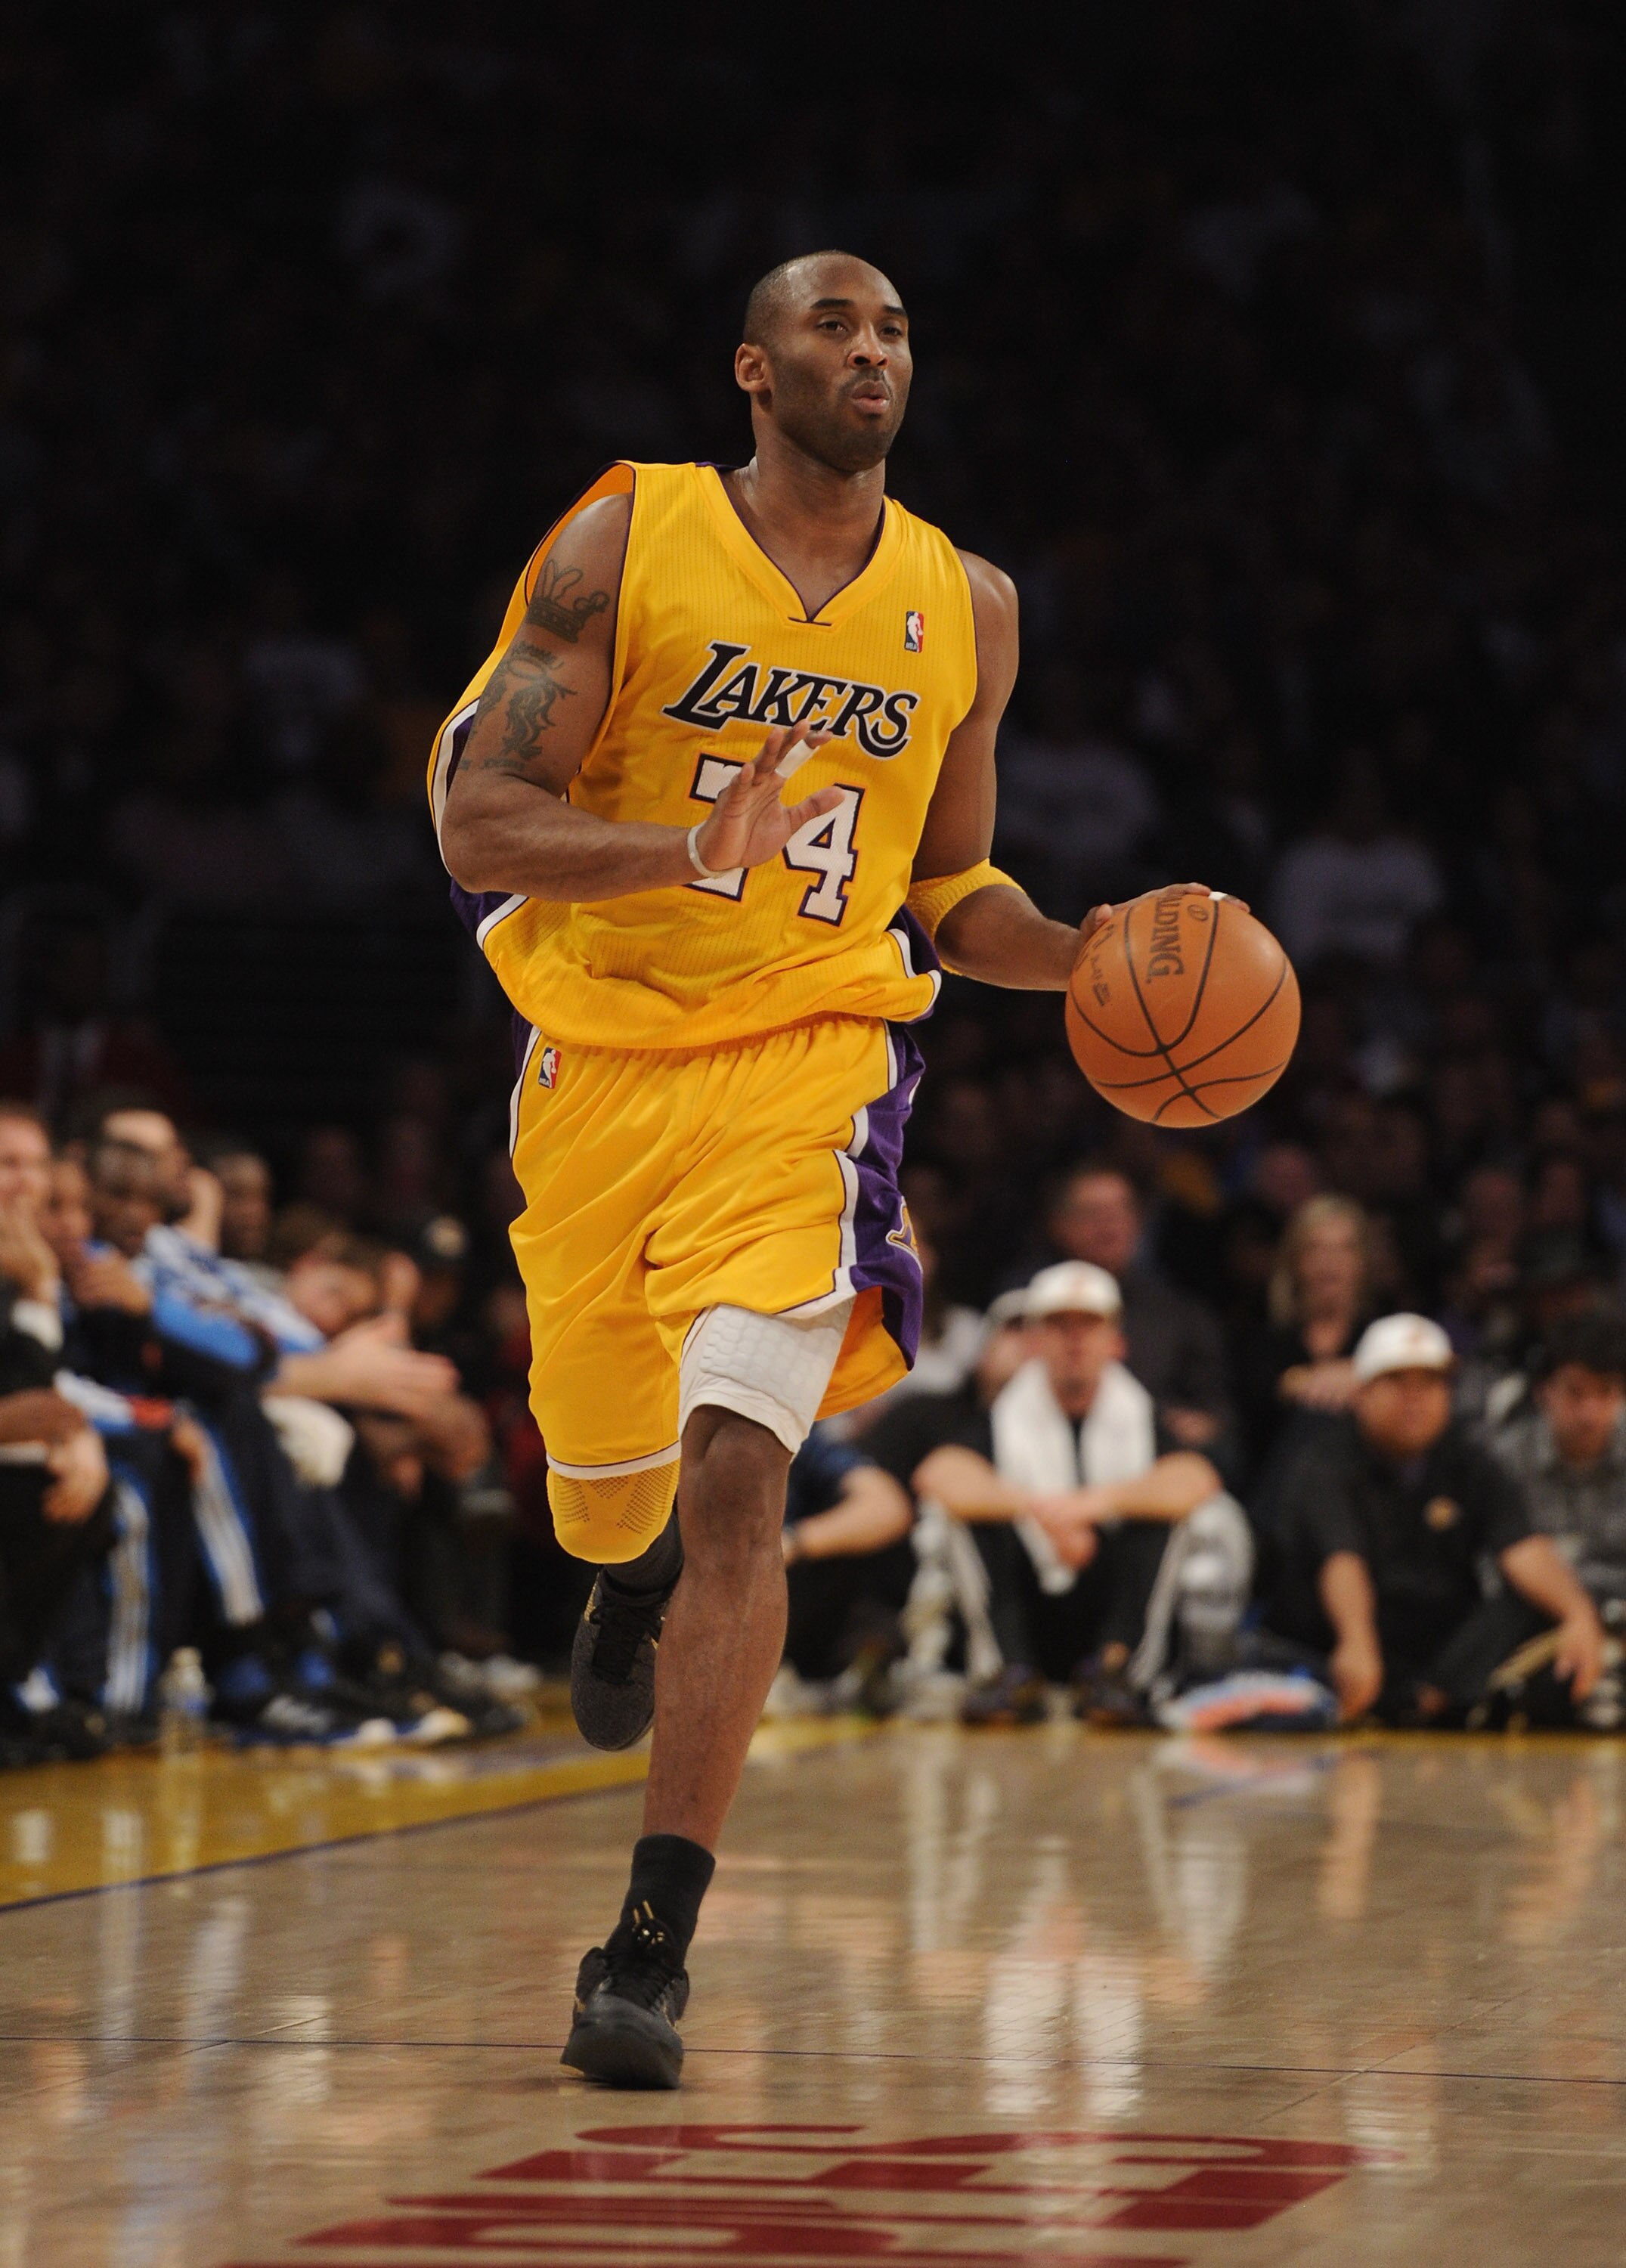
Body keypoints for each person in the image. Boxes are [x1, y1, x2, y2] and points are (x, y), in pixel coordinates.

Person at [432, 249, 1213, 2087]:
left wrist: (1087, 943)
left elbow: (951, 894)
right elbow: (480, 816)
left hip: (814, 1069)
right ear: (750, 367)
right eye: (831, 325)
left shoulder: (969, 603)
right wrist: (679, 854)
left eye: (894, 329)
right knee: (607, 1498)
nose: (869, 350)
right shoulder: (625, 539)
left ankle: (648, 1942)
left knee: (736, 1490)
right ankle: (616, 1581)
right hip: (602, 1061)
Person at [887, 1263, 1246, 1725]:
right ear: (1033, 1343)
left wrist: (1092, 1504)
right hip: (1029, 1603)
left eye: (1090, 1325)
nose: (1075, 1340)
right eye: (1059, 1325)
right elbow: (940, 1476)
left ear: (1117, 1342)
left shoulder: (1136, 1411)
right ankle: (1006, 1671)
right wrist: (1043, 1512)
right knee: (955, 1515)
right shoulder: (1006, 1413)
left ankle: (1121, 1673)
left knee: (1180, 1514)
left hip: (1110, 1598)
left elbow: (1196, 1479)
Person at [1262, 1313, 1605, 1724]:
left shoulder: (1469, 1461)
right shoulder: (1326, 1462)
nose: (1415, 1398)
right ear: (1363, 1393)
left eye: (1428, 1383)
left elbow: (1523, 1548)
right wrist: (1356, 1642)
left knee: (1531, 1600)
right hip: (1337, 1645)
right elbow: (1342, 1559)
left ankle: (1433, 1700)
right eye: (1397, 1383)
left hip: (1434, 1651)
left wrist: (1579, 1615)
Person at [1043, 1163, 1232, 1448]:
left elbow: (1217, 1412)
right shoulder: (1026, 1308)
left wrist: (1202, 1425)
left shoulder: (1181, 1313)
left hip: (1157, 1459)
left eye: (1120, 1210)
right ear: (1060, 1224)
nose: (1108, 1223)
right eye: (1093, 1212)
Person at [1234, 1194, 1380, 1474]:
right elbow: (1252, 1405)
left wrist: (1360, 1374)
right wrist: (1307, 1382)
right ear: (1295, 1260)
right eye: (1316, 1249)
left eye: (1344, 1249)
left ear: (1362, 1262)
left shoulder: (1379, 1336)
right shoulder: (1264, 1338)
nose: (1330, 1263)